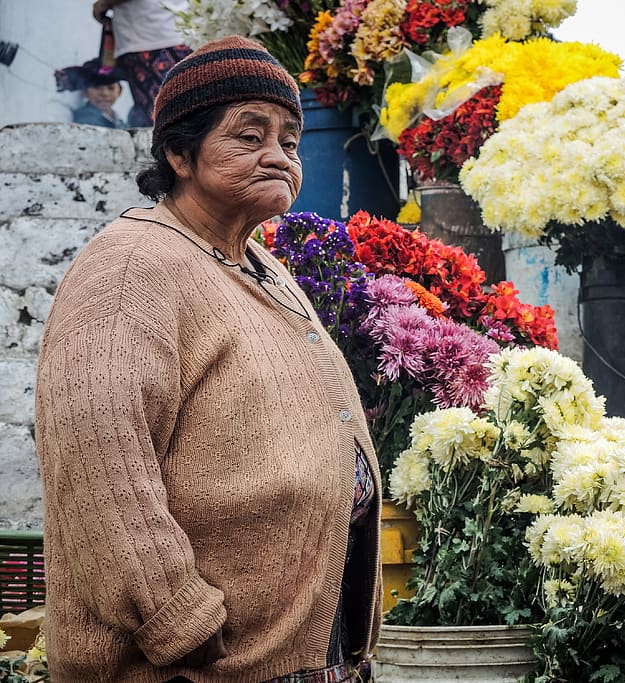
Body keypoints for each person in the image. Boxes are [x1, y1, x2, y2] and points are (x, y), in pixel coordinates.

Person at [34, 36, 381, 683]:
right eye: (250, 136)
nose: (278, 156)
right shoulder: (130, 265)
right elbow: (100, 461)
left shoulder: (265, 270)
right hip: (204, 668)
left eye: (289, 140)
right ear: (178, 151)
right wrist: (180, 623)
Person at [92, 0, 193, 127]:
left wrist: (103, 4)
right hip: (158, 35)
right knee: (170, 119)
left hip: (155, 37)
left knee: (168, 120)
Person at [54, 57, 128, 128]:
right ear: (85, 92)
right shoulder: (85, 119)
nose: (105, 94)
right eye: (97, 88)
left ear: (120, 91)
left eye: (111, 88)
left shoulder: (118, 120)